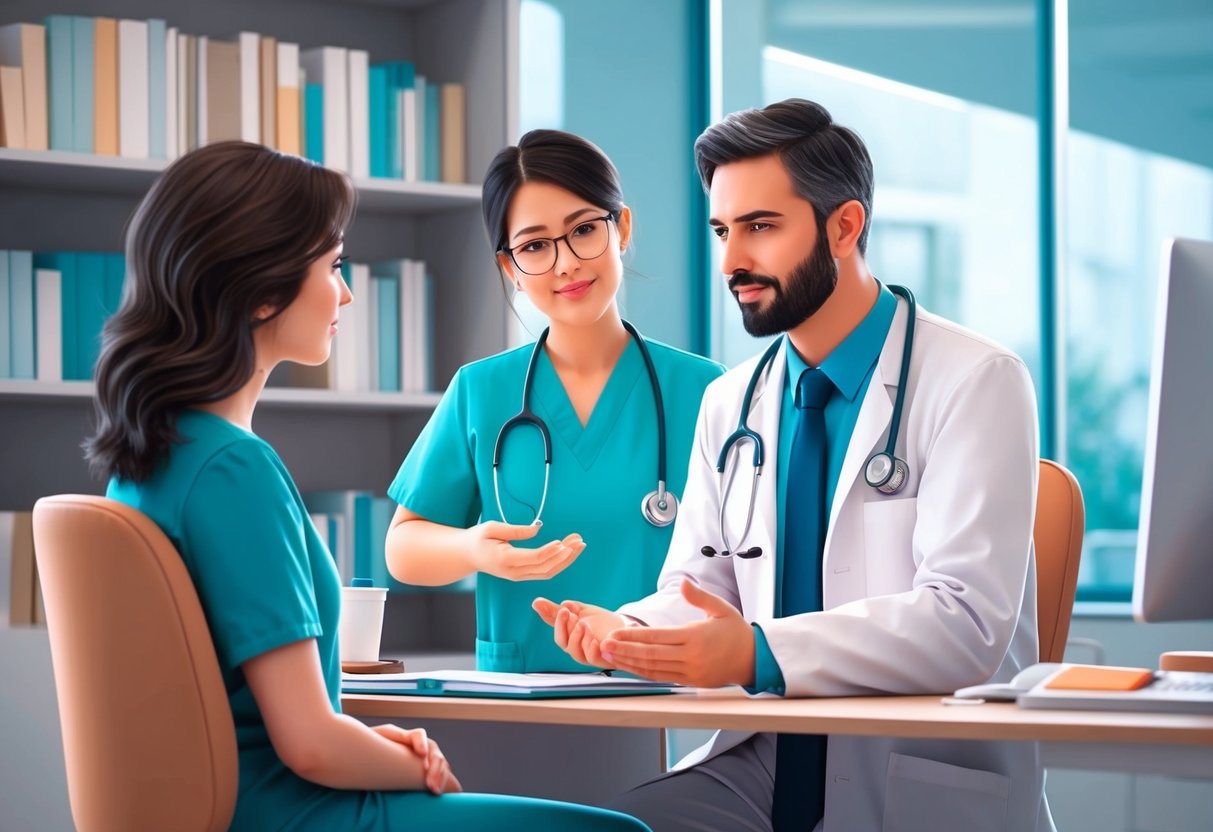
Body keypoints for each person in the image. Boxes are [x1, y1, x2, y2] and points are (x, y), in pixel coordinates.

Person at [85, 141, 651, 832]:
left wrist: (377, 745)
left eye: (585, 230)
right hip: (294, 811)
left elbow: (277, 727)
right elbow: (310, 744)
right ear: (263, 291)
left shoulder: (156, 460)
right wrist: (418, 764)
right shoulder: (233, 469)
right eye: (333, 265)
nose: (347, 292)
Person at [534, 99, 1055, 831]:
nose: (731, 261)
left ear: (844, 226)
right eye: (722, 230)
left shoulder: (975, 379)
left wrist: (753, 652)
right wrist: (626, 632)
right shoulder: (730, 402)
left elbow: (963, 622)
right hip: (762, 765)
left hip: (911, 777)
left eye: (759, 227)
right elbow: (698, 590)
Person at [385, 129, 724, 673]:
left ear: (623, 229)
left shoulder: (708, 391)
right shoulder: (481, 390)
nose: (565, 263)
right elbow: (402, 548)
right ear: (509, 267)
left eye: (584, 230)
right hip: (520, 696)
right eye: (535, 246)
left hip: (662, 693)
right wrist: (474, 550)